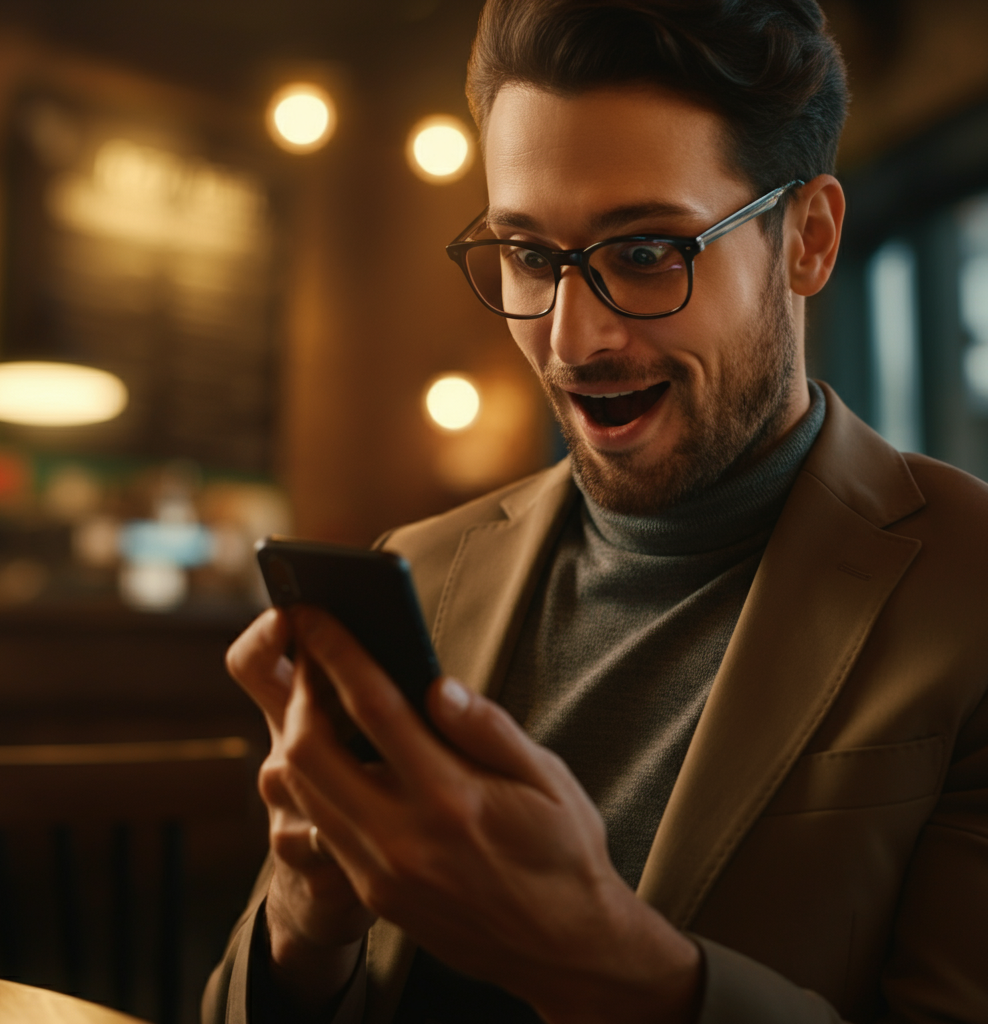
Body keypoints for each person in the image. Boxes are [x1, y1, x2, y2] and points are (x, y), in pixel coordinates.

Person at [204, 1, 988, 1022]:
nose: (574, 339)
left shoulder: (969, 590)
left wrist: (603, 959)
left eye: (648, 251)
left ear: (809, 238)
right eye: (530, 254)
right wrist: (304, 929)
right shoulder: (421, 568)